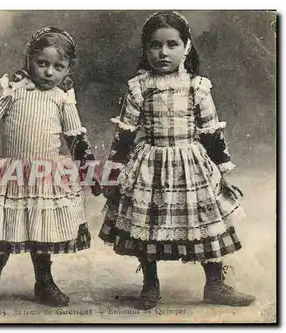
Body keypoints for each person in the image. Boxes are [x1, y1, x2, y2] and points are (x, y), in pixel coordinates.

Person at [99, 11, 255, 310]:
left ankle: (215, 283)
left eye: (172, 44)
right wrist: (114, 174)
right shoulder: (139, 88)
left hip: (191, 163)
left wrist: (223, 171)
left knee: (204, 223)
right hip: (150, 164)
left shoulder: (197, 86)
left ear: (187, 47)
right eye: (155, 46)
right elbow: (124, 134)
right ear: (146, 50)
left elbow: (211, 132)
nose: (163, 52)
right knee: (147, 223)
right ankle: (150, 284)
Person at [0, 27, 101, 312]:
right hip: (12, 175)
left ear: (67, 70)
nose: (49, 72)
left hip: (46, 176)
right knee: (2, 232)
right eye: (42, 63)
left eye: (58, 67)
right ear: (29, 59)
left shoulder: (63, 98)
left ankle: (44, 282)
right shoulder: (12, 91)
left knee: (41, 232)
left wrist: (89, 171)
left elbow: (76, 138)